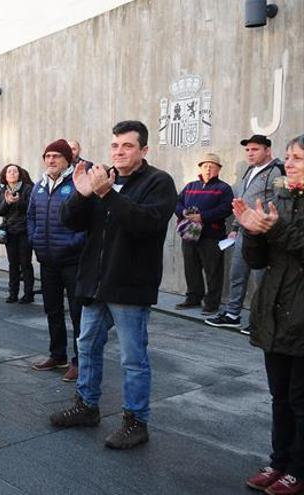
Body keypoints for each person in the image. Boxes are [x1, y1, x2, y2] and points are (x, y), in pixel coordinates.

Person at [50, 121, 176, 450]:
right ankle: (86, 406)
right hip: (95, 282)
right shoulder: (102, 177)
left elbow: (144, 224)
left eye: (128, 146)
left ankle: (136, 421)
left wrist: (106, 193)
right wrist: (81, 194)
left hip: (130, 285)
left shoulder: (158, 182)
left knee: (133, 358)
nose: (119, 152)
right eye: (115, 146)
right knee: (87, 346)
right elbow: (69, 220)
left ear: (144, 150)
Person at [240, 134, 304, 495]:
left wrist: (275, 229)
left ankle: (298, 468)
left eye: (296, 157)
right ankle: (279, 461)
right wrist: (253, 233)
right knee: (280, 397)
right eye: (288, 156)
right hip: (275, 313)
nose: (289, 163)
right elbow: (257, 261)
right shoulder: (279, 199)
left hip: (301, 317)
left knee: (299, 400)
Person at [206, 134, 284, 333]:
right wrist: (234, 230)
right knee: (237, 274)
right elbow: (242, 201)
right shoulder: (249, 171)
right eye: (247, 150)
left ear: (268, 150)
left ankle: (262, 320)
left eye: (255, 149)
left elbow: (281, 203)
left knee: (262, 279)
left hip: (263, 233)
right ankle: (232, 315)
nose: (250, 153)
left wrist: (267, 226)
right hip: (243, 232)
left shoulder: (277, 171)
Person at [27, 139, 86, 382]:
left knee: (77, 313)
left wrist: (73, 243)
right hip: (47, 259)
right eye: (47, 156)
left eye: (56, 156)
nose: (51, 160)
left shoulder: (77, 184)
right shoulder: (39, 185)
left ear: (67, 159)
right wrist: (35, 239)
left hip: (72, 260)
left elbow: (87, 222)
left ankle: (80, 361)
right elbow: (30, 216)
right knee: (52, 309)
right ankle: (57, 354)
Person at [174, 152, 233, 315]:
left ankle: (212, 303)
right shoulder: (190, 186)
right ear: (200, 168)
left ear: (218, 169)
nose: (208, 169)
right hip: (189, 234)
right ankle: (193, 298)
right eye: (205, 166)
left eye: (212, 166)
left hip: (211, 235)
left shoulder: (224, 188)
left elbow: (227, 209)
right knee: (191, 267)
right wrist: (183, 212)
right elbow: (176, 202)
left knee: (213, 270)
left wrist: (203, 217)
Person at [0, 163, 35, 304]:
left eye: (15, 171)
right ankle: (13, 293)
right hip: (10, 231)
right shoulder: (1, 191)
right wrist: (7, 202)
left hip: (24, 230)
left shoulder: (28, 189)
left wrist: (19, 202)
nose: (12, 173)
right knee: (12, 264)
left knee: (25, 263)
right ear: (5, 176)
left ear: (20, 174)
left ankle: (28, 294)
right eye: (9, 171)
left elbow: (31, 209)